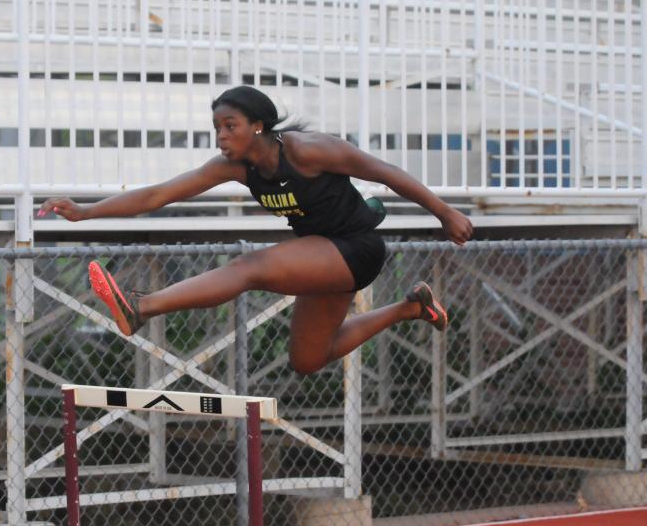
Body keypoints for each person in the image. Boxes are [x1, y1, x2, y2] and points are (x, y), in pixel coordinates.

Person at [38, 85, 473, 375]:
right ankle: (411, 308)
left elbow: (386, 172)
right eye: (217, 129)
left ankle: (141, 306)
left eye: (231, 127)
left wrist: (444, 213)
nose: (222, 137)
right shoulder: (236, 167)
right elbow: (159, 195)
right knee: (307, 360)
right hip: (320, 255)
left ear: (258, 126)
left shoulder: (308, 151)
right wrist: (85, 213)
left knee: (250, 267)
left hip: (356, 247)